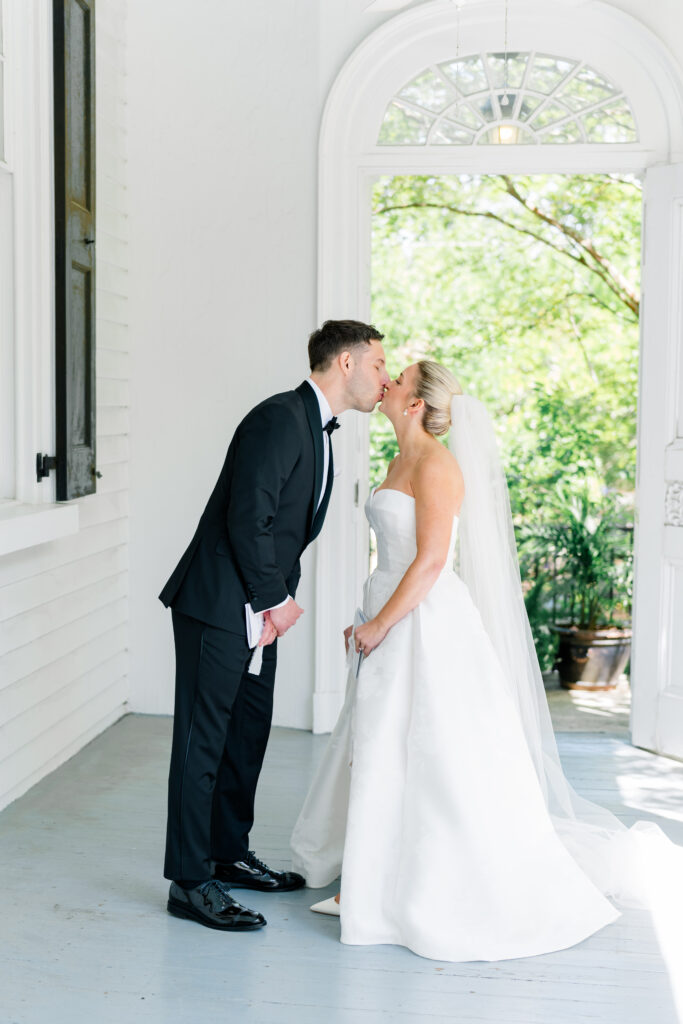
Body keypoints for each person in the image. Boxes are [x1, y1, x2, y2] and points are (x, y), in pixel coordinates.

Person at [290, 359, 683, 962]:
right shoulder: (397, 460)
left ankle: (422, 885)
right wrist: (369, 615)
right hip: (391, 615)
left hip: (426, 625)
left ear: (417, 403)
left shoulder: (437, 465)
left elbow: (428, 562)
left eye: (401, 378)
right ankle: (370, 876)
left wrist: (379, 622)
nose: (389, 381)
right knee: (379, 741)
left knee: (432, 749)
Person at [158, 320, 390, 931]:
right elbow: (247, 519)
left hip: (257, 612)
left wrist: (273, 604)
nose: (384, 378)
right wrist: (275, 599)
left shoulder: (317, 430)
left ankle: (229, 854)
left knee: (247, 735)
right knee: (201, 742)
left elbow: (287, 531)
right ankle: (189, 881)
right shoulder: (279, 418)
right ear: (346, 363)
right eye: (379, 364)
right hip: (217, 605)